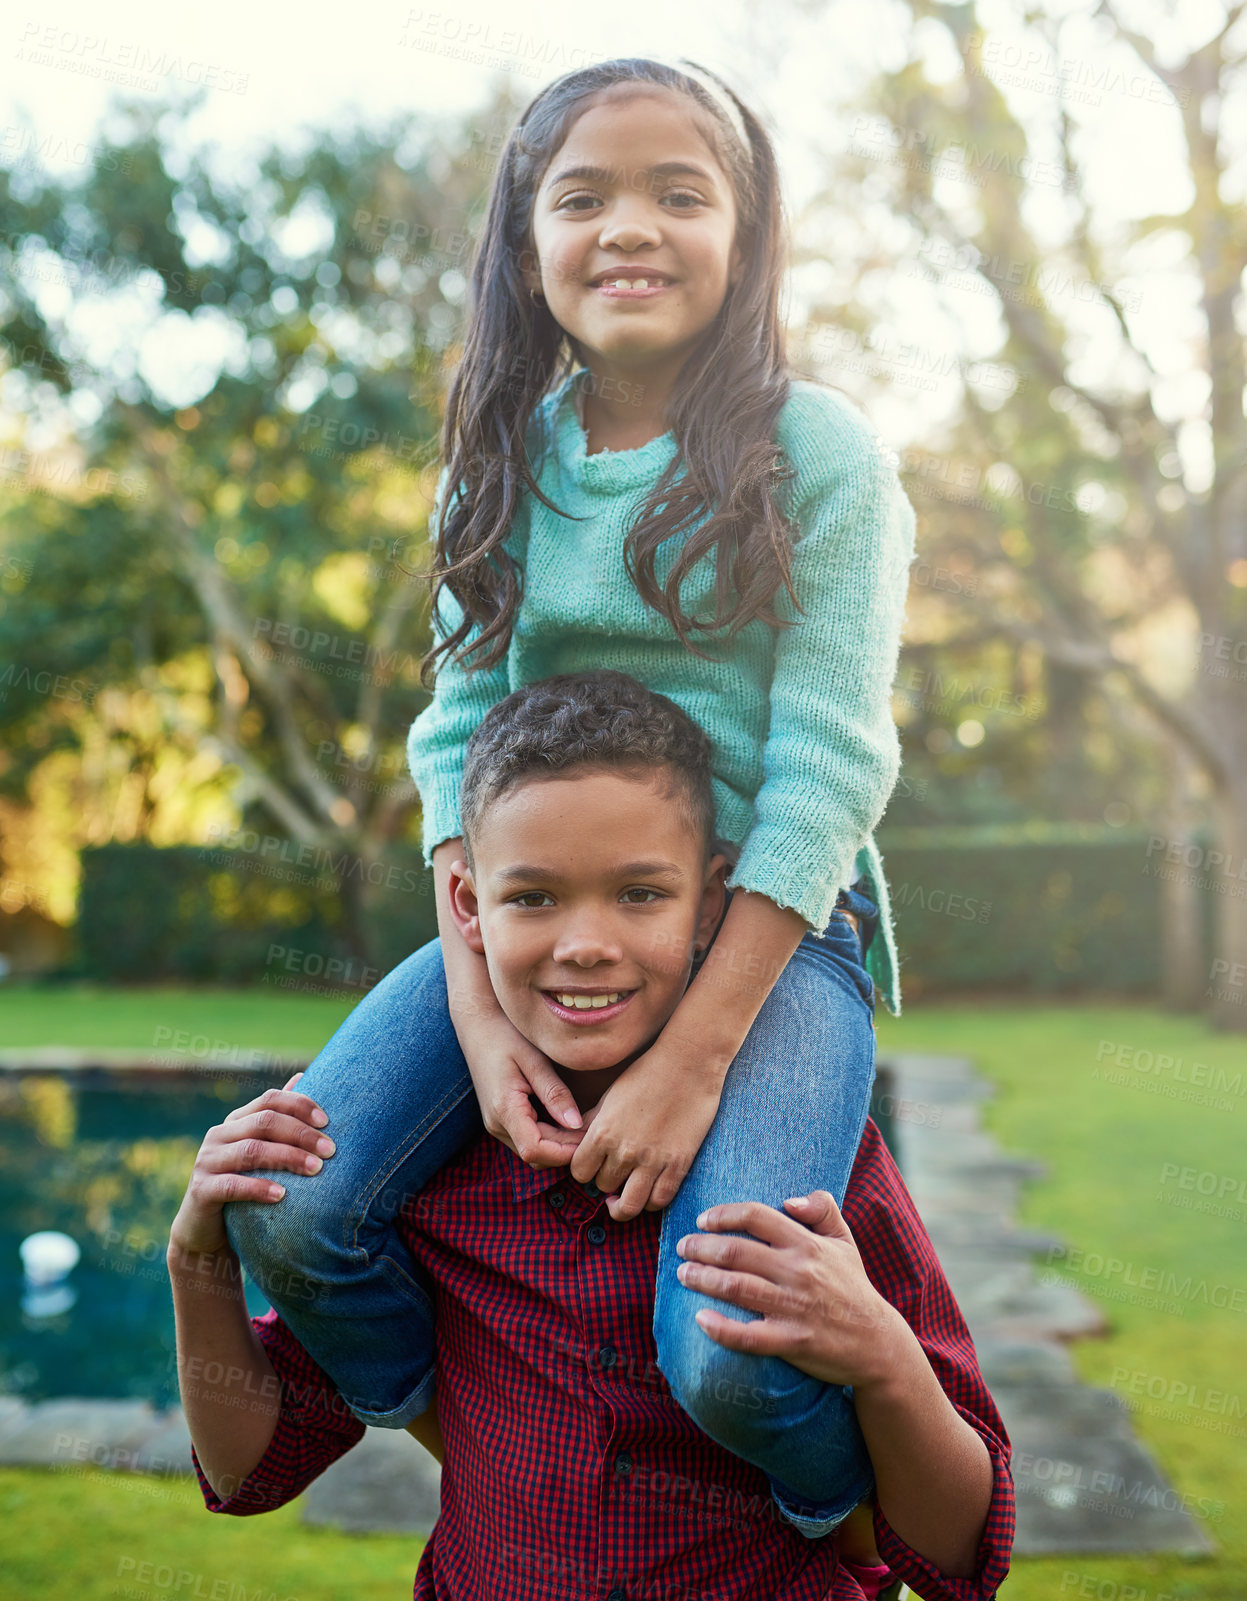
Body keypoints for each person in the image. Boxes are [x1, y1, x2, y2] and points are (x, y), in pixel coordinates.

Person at [224, 54, 919, 1538]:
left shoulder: (819, 454)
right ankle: (463, 1427)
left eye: (681, 194)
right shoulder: (497, 463)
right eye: (581, 196)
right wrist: (476, 1005)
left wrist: (689, 1062)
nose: (630, 230)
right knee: (294, 1213)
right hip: (536, 908)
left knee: (732, 1361)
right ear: (524, 246)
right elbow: (453, 734)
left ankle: (837, 1517)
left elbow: (827, 765)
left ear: (743, 237)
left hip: (770, 931)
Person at [171, 673, 1014, 1600]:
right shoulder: (407, 1166)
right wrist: (196, 1258)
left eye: (640, 893)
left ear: (712, 901)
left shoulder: (800, 1158)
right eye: (532, 897)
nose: (585, 944)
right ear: (465, 905)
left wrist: (883, 1357)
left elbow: (962, 1561)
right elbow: (253, 1468)